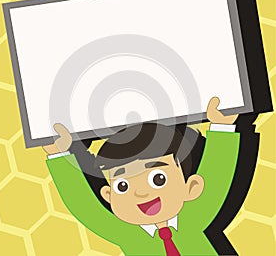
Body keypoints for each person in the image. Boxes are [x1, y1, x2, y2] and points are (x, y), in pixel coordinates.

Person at [43, 97, 240, 255]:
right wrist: (58, 154)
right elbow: (85, 207)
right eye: (122, 186)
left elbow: (216, 178)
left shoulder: (196, 216)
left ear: (192, 187)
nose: (141, 193)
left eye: (158, 179)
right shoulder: (126, 233)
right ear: (108, 195)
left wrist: (222, 127)